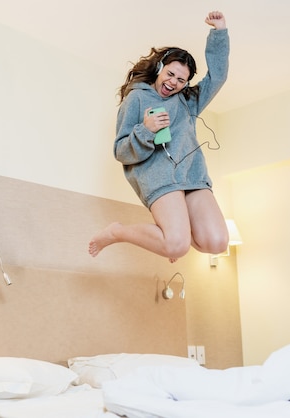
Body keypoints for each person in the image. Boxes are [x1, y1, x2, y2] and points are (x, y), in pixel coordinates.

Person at [89, 11, 230, 262]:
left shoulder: (188, 101)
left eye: (181, 80)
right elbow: (121, 151)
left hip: (193, 177)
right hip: (160, 179)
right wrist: (146, 130)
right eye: (170, 74)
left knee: (217, 242)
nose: (173, 82)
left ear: (186, 84)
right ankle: (118, 232)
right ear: (159, 68)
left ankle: (172, 236)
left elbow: (217, 77)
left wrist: (219, 32)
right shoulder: (137, 98)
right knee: (177, 246)